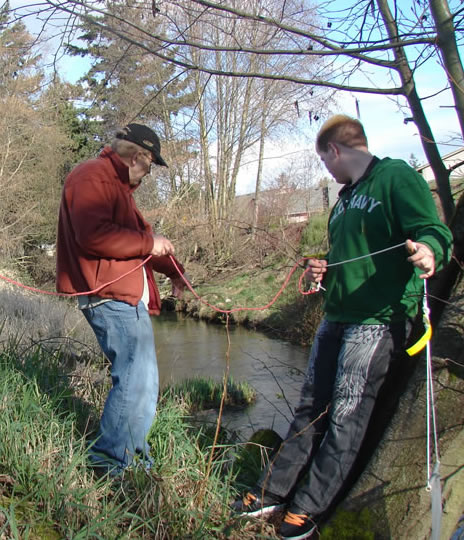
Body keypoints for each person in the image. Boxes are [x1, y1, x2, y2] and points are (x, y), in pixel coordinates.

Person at [232, 115, 453, 539]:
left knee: (346, 418)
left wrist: (429, 252)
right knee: (309, 410)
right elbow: (351, 257)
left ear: (334, 150)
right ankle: (272, 492)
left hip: (378, 323)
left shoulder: (395, 177)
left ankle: (309, 507)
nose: (327, 172)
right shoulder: (345, 198)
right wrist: (326, 269)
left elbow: (433, 231)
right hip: (336, 318)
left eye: (325, 161)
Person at [56, 123, 187, 476]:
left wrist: (175, 270)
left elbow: (138, 241)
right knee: (137, 379)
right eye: (150, 165)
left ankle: (128, 457)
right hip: (108, 295)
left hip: (119, 294)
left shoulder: (117, 189)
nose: (148, 173)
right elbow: (94, 236)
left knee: (140, 380)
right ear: (140, 156)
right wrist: (150, 244)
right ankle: (112, 462)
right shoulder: (92, 177)